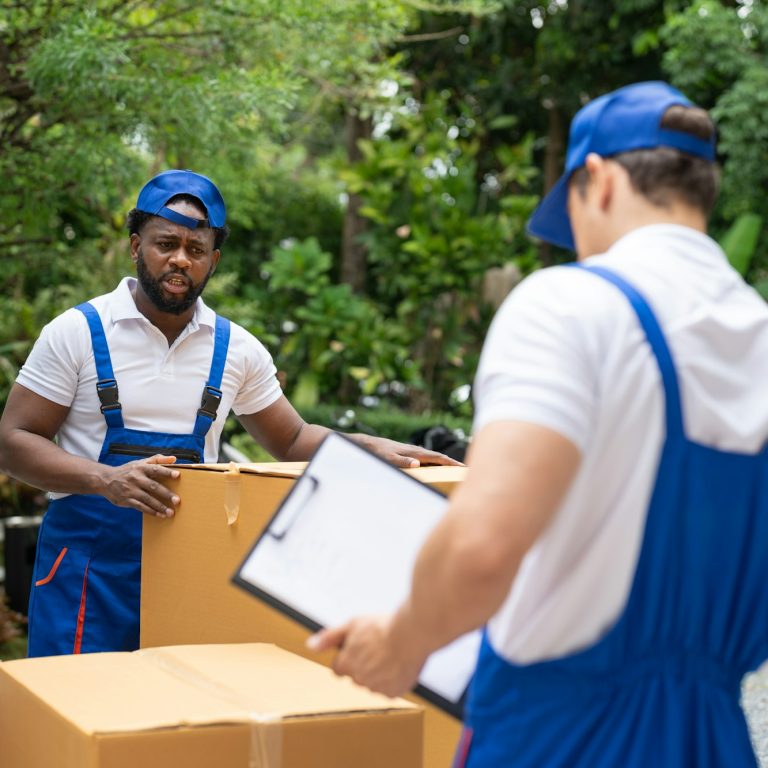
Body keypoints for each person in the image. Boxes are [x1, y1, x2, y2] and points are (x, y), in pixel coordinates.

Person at [309, 81, 768, 766]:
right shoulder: (757, 337)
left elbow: (483, 545)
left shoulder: (572, 306)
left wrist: (402, 642)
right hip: (712, 742)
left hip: (565, 737)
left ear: (598, 180)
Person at [0, 169, 459, 658]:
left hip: (189, 570)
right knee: (79, 712)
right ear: (136, 246)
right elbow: (13, 441)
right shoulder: (75, 332)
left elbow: (292, 440)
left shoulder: (236, 349)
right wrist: (103, 480)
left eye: (196, 250)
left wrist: (369, 448)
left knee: (179, 715)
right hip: (84, 570)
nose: (180, 259)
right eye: (166, 243)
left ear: (213, 260)